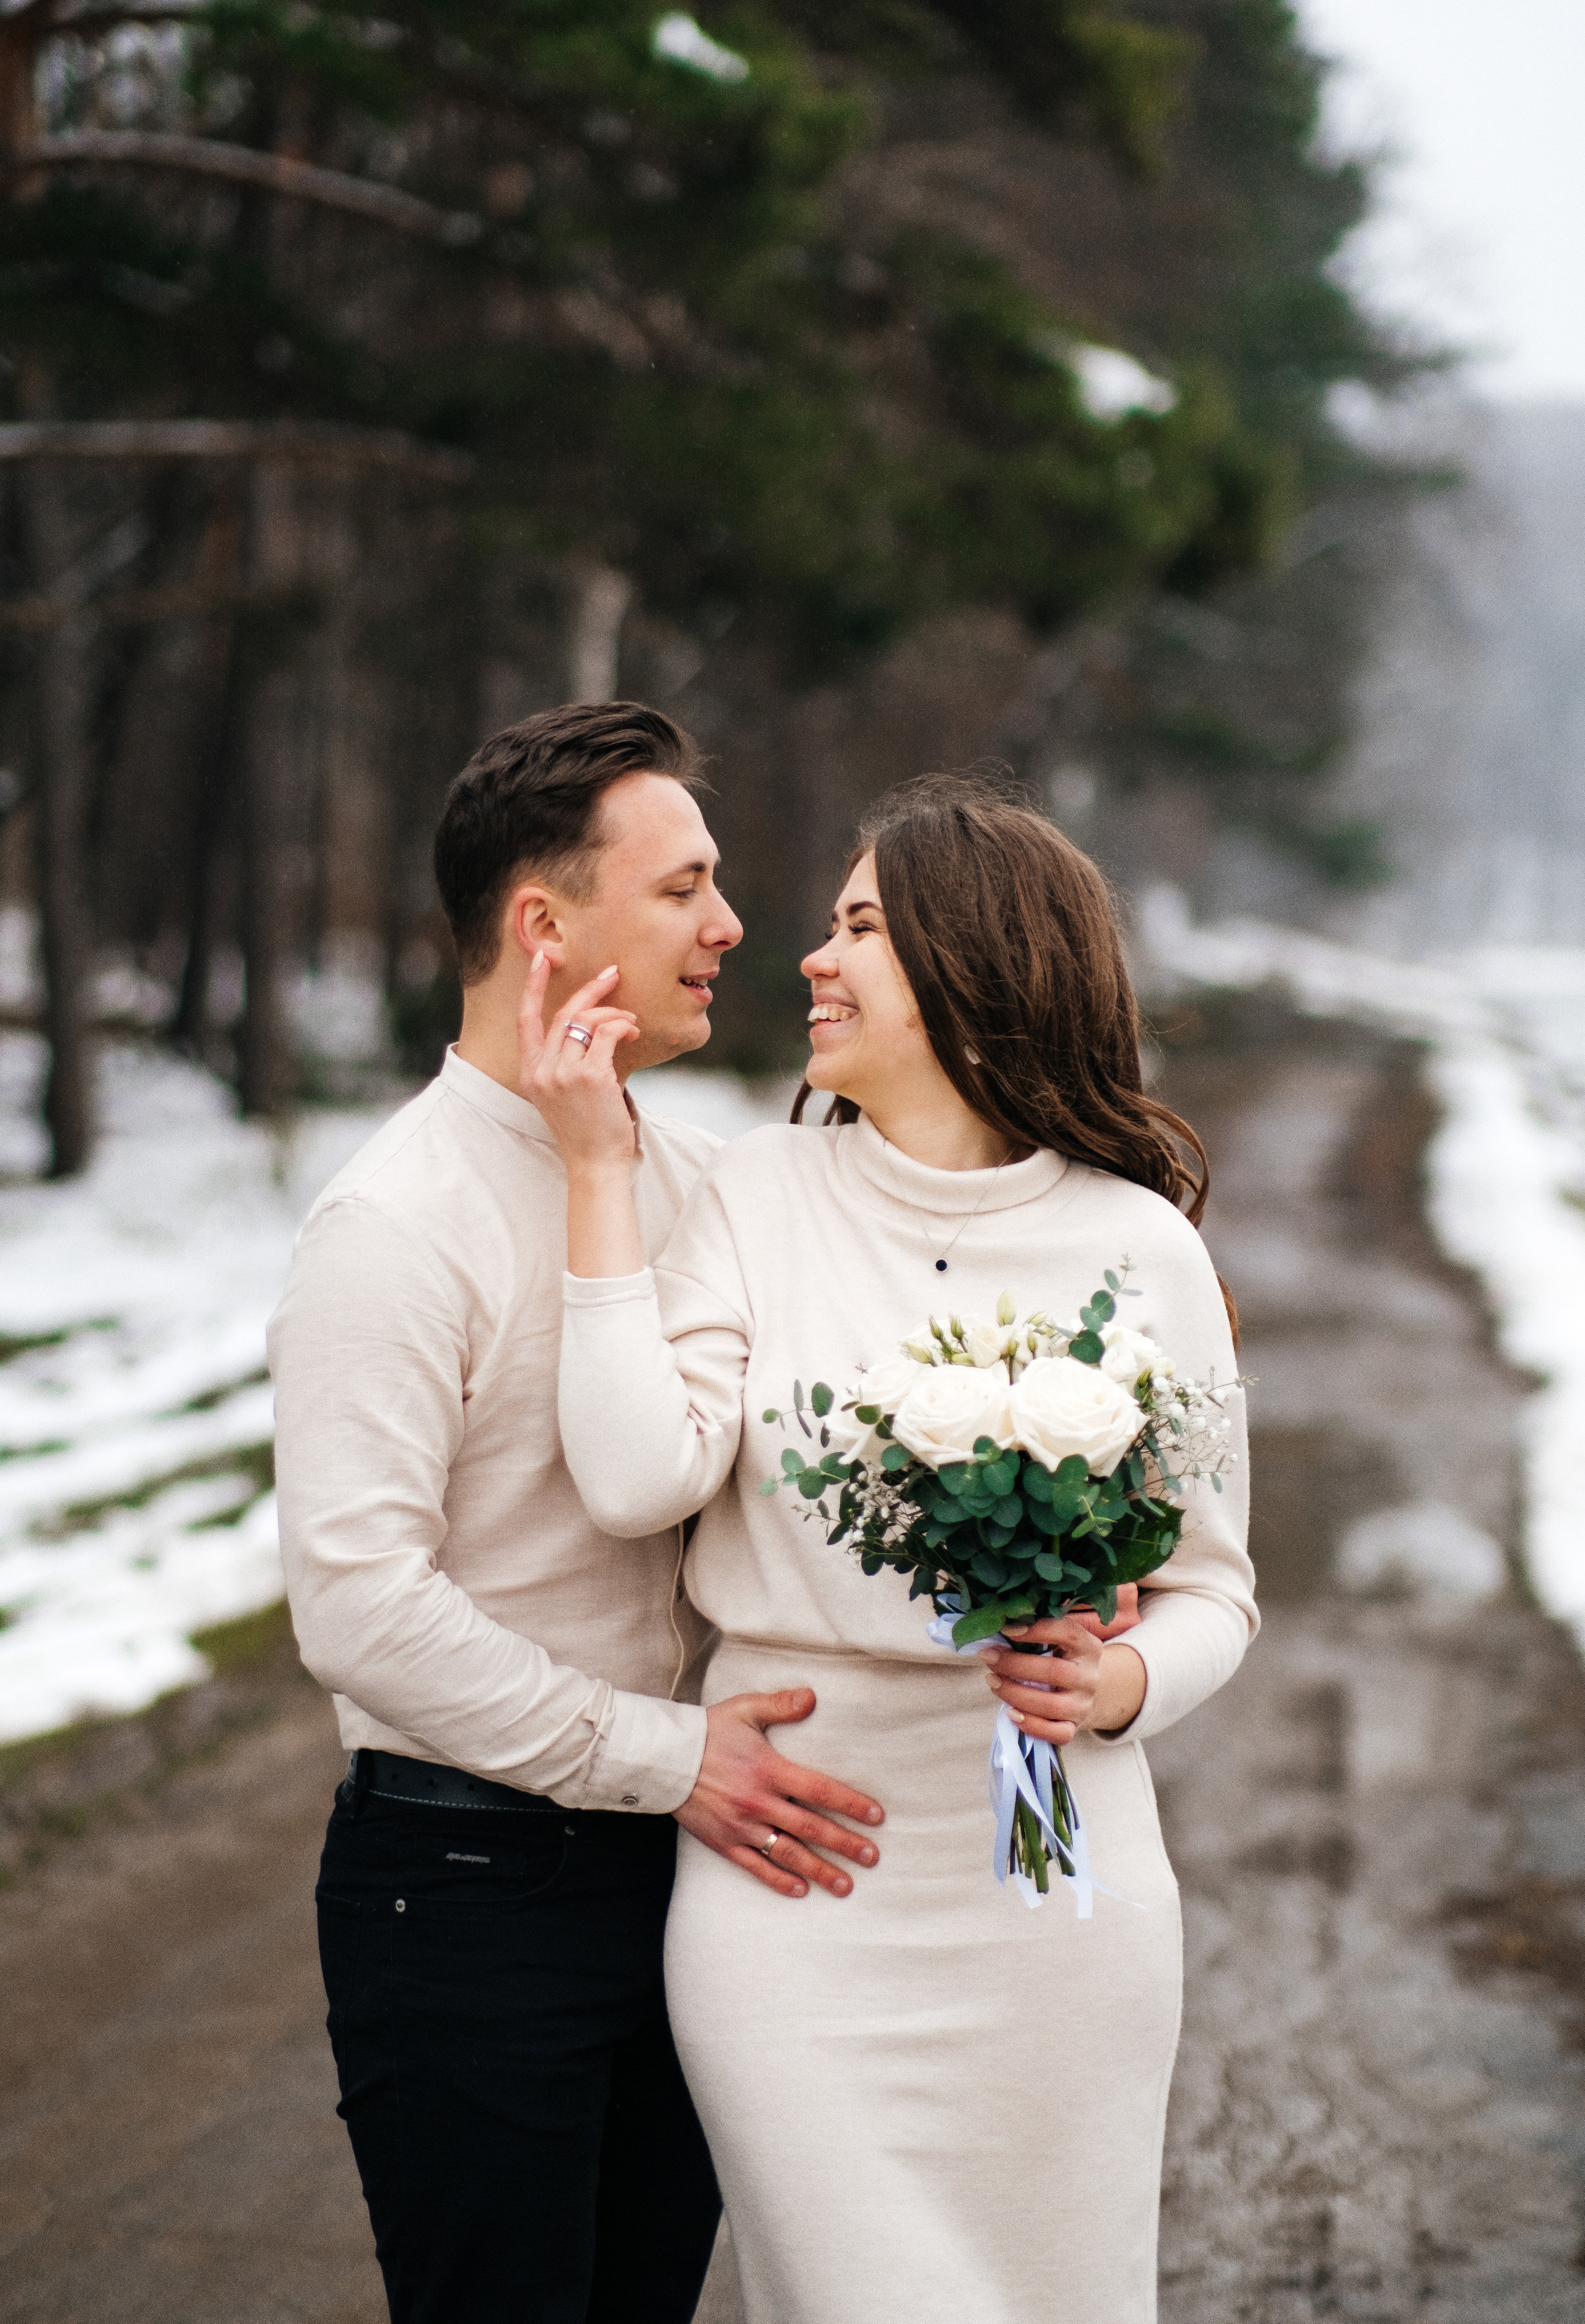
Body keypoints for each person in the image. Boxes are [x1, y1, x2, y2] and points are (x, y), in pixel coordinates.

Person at [523, 772, 1257, 2324]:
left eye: (858, 923)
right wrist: (598, 1172)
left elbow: (1214, 1590)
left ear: (970, 962)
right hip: (799, 1892)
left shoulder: (1140, 1248)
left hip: (1056, 1901)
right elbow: (633, 1475)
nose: (811, 954)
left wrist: (1117, 1682)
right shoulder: (758, 1192)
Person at [267, 702, 889, 2324]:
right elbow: (357, 1605)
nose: (733, 927)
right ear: (546, 927)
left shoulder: (691, 1184)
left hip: (682, 1895)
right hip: (465, 1901)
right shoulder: (390, 1225)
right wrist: (673, 1760)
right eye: (685, 886)